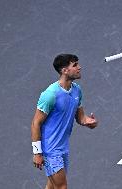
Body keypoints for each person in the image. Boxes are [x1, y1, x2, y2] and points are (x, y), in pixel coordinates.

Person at [31, 54, 98, 189]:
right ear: (64, 70)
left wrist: (88, 122)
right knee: (61, 187)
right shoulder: (50, 95)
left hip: (63, 147)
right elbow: (35, 123)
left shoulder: (77, 90)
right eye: (75, 65)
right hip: (50, 149)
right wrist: (37, 152)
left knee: (52, 185)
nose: (79, 67)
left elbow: (80, 117)